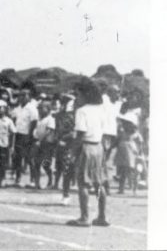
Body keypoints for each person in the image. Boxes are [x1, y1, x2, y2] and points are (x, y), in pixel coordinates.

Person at [67, 79, 110, 227]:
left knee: (83, 184)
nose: (76, 98)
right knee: (99, 183)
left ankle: (84, 217)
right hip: (98, 147)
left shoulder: (82, 111)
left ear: (86, 94)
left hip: (86, 147)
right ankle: (102, 216)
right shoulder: (100, 109)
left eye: (78, 94)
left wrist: (72, 153)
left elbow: (80, 134)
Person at [29, 101, 56, 190]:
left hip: (46, 144)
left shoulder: (50, 119)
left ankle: (50, 181)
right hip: (39, 143)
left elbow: (49, 131)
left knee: (46, 164)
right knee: (36, 163)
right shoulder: (40, 119)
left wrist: (40, 140)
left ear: (48, 109)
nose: (40, 110)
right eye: (39, 108)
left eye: (42, 108)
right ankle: (37, 183)